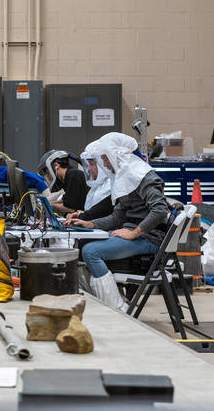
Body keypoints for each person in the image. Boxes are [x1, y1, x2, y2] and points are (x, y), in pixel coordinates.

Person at [65, 132, 171, 312]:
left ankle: (117, 308)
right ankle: (107, 303)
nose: (105, 164)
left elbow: (160, 210)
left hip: (150, 239)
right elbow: (118, 217)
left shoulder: (143, 176)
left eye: (106, 159)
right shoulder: (125, 177)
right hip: (138, 236)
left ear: (118, 155)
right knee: (82, 246)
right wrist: (90, 224)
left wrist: (134, 232)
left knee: (90, 251)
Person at [65, 139, 114, 222]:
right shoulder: (96, 188)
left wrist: (83, 215)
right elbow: (94, 213)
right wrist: (81, 214)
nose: (88, 168)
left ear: (101, 166)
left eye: (91, 164)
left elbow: (100, 213)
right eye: (88, 164)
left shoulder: (110, 187)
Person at [38, 150, 89, 215]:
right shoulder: (68, 177)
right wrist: (47, 204)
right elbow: (67, 201)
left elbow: (73, 209)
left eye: (48, 173)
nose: (48, 177)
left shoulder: (73, 175)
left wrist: (50, 205)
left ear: (56, 165)